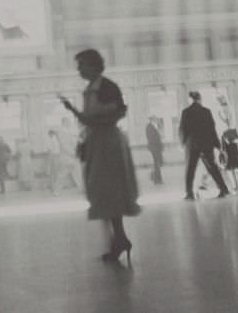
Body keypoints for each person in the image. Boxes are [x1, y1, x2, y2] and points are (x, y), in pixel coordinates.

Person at [59, 48, 140, 264]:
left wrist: (84, 117)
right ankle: (119, 239)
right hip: (100, 142)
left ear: (93, 65)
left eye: (82, 65)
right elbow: (92, 119)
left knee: (107, 190)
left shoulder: (105, 87)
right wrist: (75, 112)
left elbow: (116, 112)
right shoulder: (93, 89)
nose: (79, 69)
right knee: (104, 191)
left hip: (107, 144)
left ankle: (118, 240)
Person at [179, 91, 229, 200]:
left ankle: (189, 193)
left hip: (192, 145)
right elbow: (212, 129)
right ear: (199, 99)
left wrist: (182, 143)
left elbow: (183, 129)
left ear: (190, 99)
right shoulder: (206, 112)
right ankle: (223, 189)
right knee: (213, 167)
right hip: (206, 144)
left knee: (190, 170)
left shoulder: (186, 112)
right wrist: (217, 144)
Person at [145, 116, 164, 185]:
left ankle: (157, 179)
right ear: (151, 120)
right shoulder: (149, 127)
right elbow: (152, 138)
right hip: (154, 148)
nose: (156, 120)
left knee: (157, 163)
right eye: (155, 119)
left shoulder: (152, 127)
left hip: (155, 148)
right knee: (157, 163)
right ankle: (157, 179)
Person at [46, 129, 62, 194]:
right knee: (57, 172)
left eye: (49, 134)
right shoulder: (58, 140)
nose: (48, 135)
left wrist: (49, 160)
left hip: (53, 157)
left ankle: (53, 188)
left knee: (53, 173)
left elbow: (49, 150)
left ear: (51, 134)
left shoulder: (51, 140)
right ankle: (55, 187)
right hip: (58, 157)